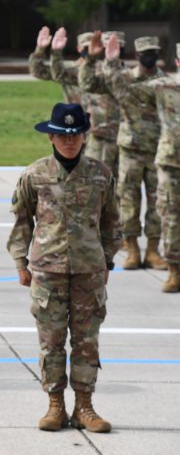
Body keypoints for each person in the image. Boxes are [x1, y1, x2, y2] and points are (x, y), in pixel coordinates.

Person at [8, 102, 120, 433]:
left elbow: (112, 222)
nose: (69, 141)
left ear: (84, 137)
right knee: (51, 341)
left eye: (75, 135)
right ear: (51, 138)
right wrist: (20, 262)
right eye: (62, 135)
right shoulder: (34, 175)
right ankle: (55, 404)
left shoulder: (101, 174)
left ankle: (84, 406)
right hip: (47, 271)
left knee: (87, 340)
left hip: (88, 272)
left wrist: (109, 259)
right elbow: (20, 222)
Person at [100, 35, 180, 293]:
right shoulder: (163, 86)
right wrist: (111, 63)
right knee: (149, 205)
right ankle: (141, 253)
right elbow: (125, 91)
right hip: (157, 155)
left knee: (161, 208)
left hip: (160, 151)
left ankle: (156, 253)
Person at [83, 32, 168, 270]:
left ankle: (153, 251)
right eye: (145, 54)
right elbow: (89, 84)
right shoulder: (123, 79)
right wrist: (96, 59)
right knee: (128, 201)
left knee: (157, 202)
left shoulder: (165, 81)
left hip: (156, 150)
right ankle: (131, 249)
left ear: (158, 55)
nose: (149, 57)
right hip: (130, 149)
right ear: (137, 55)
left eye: (153, 53)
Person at [48, 27, 120, 175]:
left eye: (92, 47)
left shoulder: (102, 70)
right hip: (74, 127)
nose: (90, 50)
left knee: (101, 174)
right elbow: (55, 73)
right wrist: (54, 52)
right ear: (79, 48)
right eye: (86, 47)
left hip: (99, 129)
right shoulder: (73, 70)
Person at [29, 26, 82, 103]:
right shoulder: (69, 68)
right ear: (79, 48)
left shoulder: (104, 69)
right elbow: (38, 71)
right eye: (87, 47)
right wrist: (40, 49)